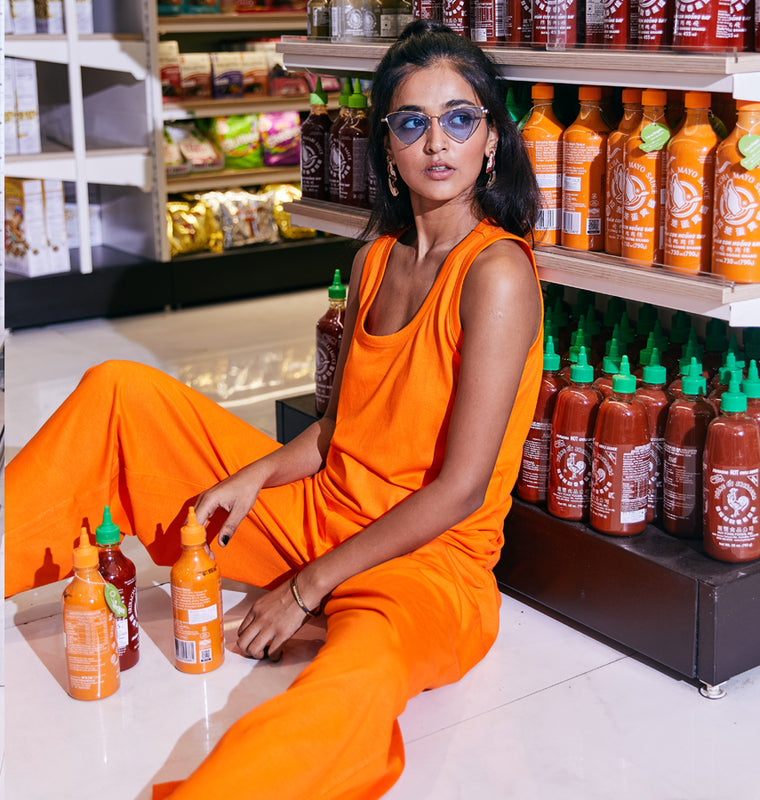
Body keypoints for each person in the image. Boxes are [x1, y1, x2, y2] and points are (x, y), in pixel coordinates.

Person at [5, 21, 543, 800]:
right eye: (412, 122)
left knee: (353, 686)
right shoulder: (375, 259)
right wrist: (253, 475)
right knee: (123, 390)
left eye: (460, 117)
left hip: (429, 564)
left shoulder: (496, 274)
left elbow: (459, 489)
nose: (437, 142)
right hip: (325, 513)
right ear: (387, 148)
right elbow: (343, 428)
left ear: (491, 141)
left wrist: (303, 589)